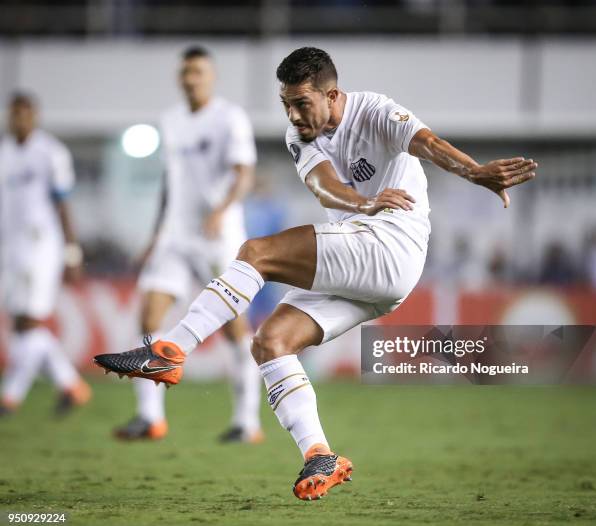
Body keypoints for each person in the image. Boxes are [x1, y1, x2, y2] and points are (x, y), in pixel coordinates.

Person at [95, 47, 537, 499]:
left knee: (257, 253)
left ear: (332, 95)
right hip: (369, 269)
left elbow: (426, 142)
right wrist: (362, 201)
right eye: (286, 102)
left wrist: (475, 171)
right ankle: (319, 455)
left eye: (301, 103)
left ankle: (172, 349)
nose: (293, 113)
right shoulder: (300, 134)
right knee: (271, 343)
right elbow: (322, 184)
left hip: (389, 246)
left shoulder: (377, 111)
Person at [113, 46, 264, 443]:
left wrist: (222, 209)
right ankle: (150, 417)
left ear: (211, 76)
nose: (191, 78)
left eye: (197, 71)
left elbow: (244, 173)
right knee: (148, 318)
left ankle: (247, 422)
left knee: (234, 330)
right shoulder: (171, 120)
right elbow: (170, 182)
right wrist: (154, 235)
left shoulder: (229, 118)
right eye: (185, 72)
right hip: (176, 238)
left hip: (218, 238)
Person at [0, 92, 91, 417]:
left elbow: (63, 204)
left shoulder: (50, 152)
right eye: (14, 114)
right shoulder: (5, 154)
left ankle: (10, 395)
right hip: (10, 248)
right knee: (21, 323)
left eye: (24, 114)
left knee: (30, 321)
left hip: (41, 246)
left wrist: (71, 251)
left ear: (35, 116)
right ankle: (71, 385)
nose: (18, 119)